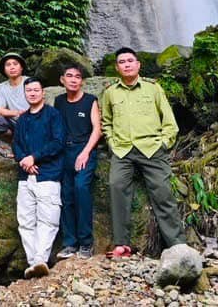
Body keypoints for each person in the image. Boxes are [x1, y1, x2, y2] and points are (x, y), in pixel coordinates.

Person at [100, 47, 184, 258]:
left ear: (138, 65)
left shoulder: (153, 89)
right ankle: (122, 244)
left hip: (151, 148)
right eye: (122, 62)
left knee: (162, 192)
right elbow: (106, 122)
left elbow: (169, 121)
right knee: (116, 186)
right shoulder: (110, 92)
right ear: (117, 67)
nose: (126, 64)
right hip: (123, 150)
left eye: (130, 60)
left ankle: (177, 244)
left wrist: (164, 143)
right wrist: (111, 142)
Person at [12, 77, 65, 278]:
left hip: (48, 174)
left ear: (43, 92)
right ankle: (33, 262)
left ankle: (40, 259)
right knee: (25, 221)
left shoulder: (53, 115)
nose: (32, 93)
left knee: (48, 219)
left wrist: (34, 157)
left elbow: (58, 142)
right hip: (25, 176)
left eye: (36, 90)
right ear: (25, 94)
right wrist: (24, 161)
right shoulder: (23, 119)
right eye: (28, 91)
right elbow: (16, 144)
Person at [55, 63, 101, 259]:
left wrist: (85, 153)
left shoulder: (90, 100)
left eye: (77, 76)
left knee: (81, 189)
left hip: (84, 149)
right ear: (62, 80)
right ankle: (69, 243)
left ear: (82, 81)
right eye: (69, 76)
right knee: (65, 195)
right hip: (64, 151)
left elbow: (97, 129)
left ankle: (86, 243)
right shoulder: (59, 101)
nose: (73, 79)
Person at [0, 51, 30, 140]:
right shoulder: (2, 87)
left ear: (21, 68)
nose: (12, 67)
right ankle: (12, 138)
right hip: (13, 122)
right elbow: (0, 110)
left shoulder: (30, 82)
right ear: (4, 70)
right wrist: (17, 113)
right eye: (8, 65)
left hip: (31, 120)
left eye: (15, 64)